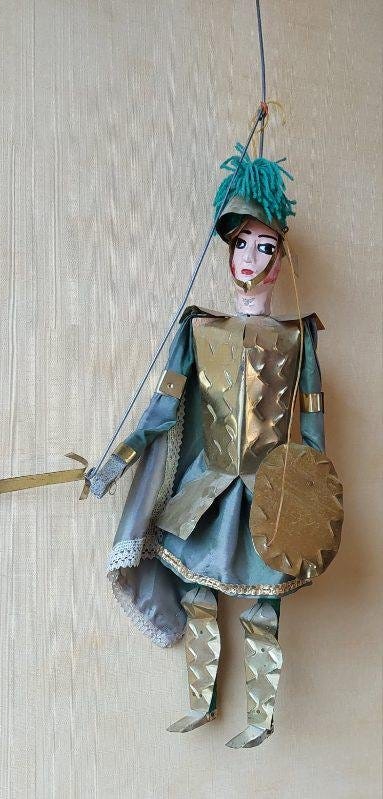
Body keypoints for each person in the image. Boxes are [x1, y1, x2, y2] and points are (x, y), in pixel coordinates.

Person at [88, 146, 326, 748]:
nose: (250, 257)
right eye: (241, 243)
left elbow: (313, 430)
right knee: (198, 597)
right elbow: (162, 411)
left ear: (280, 259)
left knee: (264, 608)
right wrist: (116, 464)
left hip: (272, 494)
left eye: (265, 246)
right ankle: (201, 700)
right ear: (227, 252)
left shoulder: (300, 337)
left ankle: (261, 717)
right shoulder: (200, 328)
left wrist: (316, 500)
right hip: (207, 488)